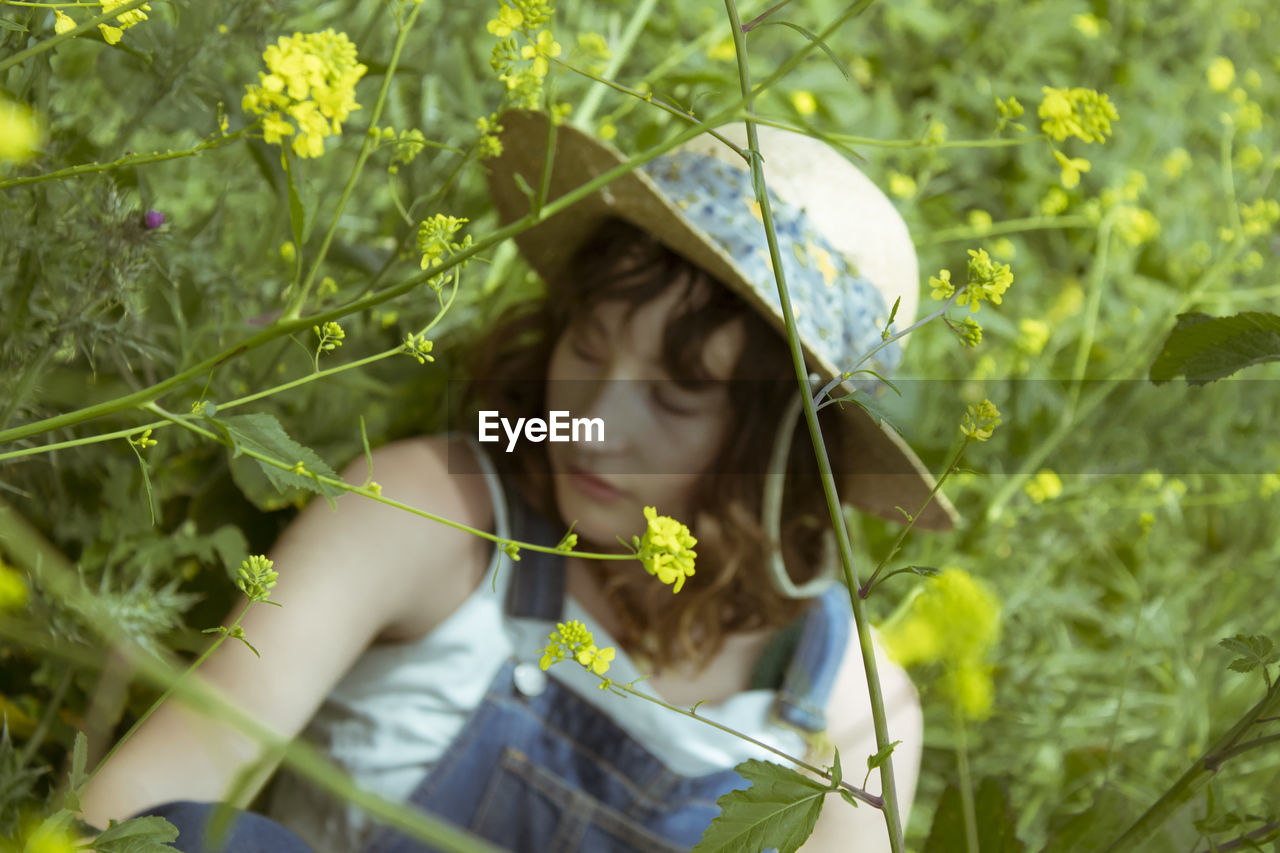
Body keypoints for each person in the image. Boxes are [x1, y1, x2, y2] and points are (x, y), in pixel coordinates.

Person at [78, 108, 956, 853]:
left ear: (783, 453)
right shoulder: (426, 510)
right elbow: (130, 815)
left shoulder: (846, 712)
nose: (596, 421)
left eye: (679, 392)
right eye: (589, 344)